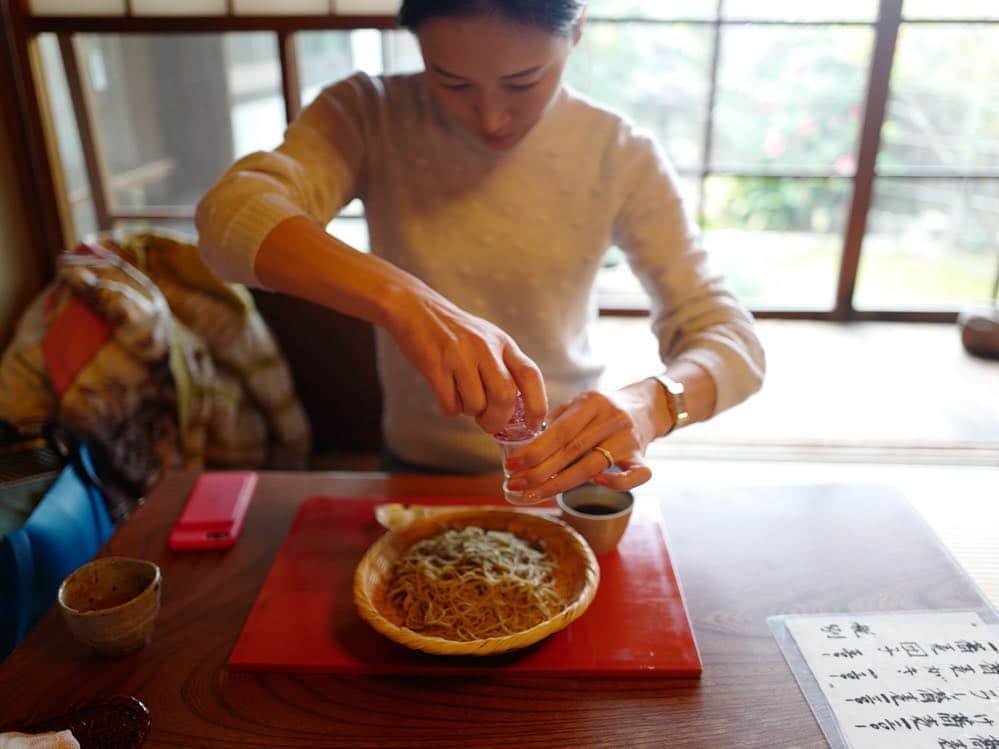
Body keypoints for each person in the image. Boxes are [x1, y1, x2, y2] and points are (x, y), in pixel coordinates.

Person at [196, 0, 765, 501]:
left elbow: (729, 337)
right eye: (452, 81)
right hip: (416, 467)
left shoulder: (618, 152)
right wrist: (406, 301)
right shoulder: (369, 115)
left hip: (568, 468)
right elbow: (229, 219)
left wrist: (651, 405)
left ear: (578, 30)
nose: (491, 117)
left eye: (523, 82)